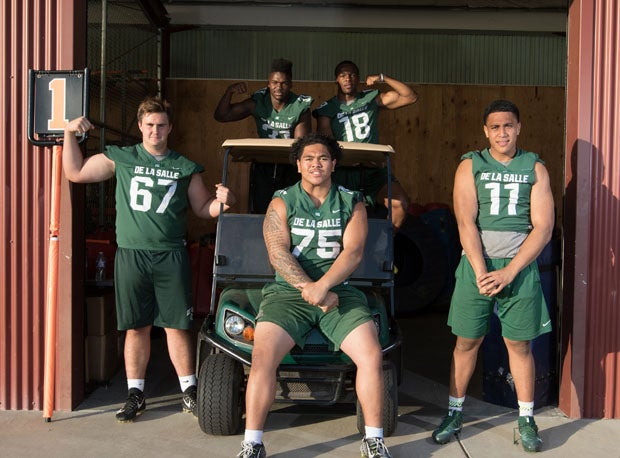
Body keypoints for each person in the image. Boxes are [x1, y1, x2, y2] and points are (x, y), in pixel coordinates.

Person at [63, 96, 236, 422]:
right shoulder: (123, 158)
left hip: (170, 254)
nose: (155, 131)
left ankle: (189, 390)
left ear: (170, 127)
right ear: (140, 127)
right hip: (132, 254)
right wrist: (68, 133)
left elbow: (203, 208)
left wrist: (224, 202)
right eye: (149, 125)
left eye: (161, 125)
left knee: (176, 326)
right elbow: (76, 172)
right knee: (136, 326)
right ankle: (135, 393)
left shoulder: (184, 166)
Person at [237, 133, 391, 458]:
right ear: (298, 165)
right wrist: (309, 287)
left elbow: (354, 252)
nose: (316, 164)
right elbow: (277, 252)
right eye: (309, 159)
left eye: (322, 158)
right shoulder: (281, 200)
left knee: (371, 355)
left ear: (334, 163)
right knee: (262, 357)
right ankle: (252, 442)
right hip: (288, 292)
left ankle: (374, 440)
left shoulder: (352, 201)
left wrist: (324, 286)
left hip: (339, 291)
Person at [431, 100, 554, 453]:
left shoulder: (535, 167)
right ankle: (454, 413)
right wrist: (483, 271)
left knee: (519, 346)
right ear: (486, 131)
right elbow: (465, 220)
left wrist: (510, 270)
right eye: (495, 127)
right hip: (477, 267)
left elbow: (544, 227)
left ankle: (526, 419)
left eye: (509, 126)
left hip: (518, 268)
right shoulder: (471, 164)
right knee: (467, 342)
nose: (502, 132)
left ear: (519, 128)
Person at [313, 60, 418, 230]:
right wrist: (348, 159)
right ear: (336, 80)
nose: (348, 79)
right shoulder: (327, 108)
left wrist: (383, 78)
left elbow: (410, 96)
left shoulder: (370, 99)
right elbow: (326, 143)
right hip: (343, 170)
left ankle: (380, 247)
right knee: (339, 215)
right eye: (343, 75)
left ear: (358, 78)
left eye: (352, 75)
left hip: (373, 169)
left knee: (400, 204)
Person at [214, 58, 313, 213]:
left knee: (290, 211)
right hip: (263, 165)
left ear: (291, 84)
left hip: (289, 167)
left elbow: (300, 146)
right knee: (261, 211)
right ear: (268, 83)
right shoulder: (259, 102)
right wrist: (229, 91)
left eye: (284, 83)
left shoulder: (300, 107)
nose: (278, 87)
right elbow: (222, 115)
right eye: (274, 82)